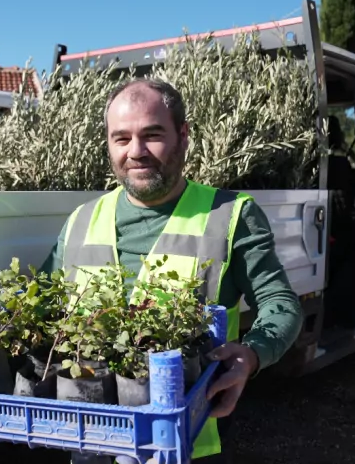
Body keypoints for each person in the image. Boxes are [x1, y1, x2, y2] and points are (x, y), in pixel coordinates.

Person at [40, 78, 303, 464]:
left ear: (183, 136)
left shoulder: (230, 215)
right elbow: (43, 308)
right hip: (92, 436)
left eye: (152, 134)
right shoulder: (81, 220)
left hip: (185, 441)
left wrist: (253, 354)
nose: (136, 152)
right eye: (121, 138)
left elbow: (280, 303)